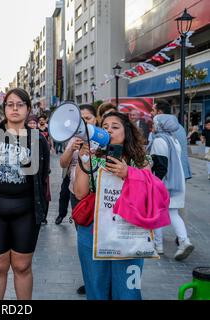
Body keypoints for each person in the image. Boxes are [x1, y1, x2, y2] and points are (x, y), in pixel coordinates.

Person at [0, 88, 50, 300]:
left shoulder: (39, 140)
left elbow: (42, 176)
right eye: (10, 104)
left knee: (22, 266)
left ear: (28, 109)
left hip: (26, 211)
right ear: (4, 108)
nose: (15, 108)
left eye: (20, 104)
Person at [74, 112, 151, 300]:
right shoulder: (92, 156)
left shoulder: (140, 160)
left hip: (128, 230)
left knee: (127, 291)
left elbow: (150, 193)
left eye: (115, 127)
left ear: (127, 132)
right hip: (93, 229)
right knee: (96, 289)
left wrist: (128, 173)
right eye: (105, 127)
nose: (109, 130)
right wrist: (84, 159)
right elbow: (80, 193)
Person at [57, 104, 98, 296]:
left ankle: (99, 279)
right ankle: (89, 279)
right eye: (80, 120)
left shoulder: (101, 138)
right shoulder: (73, 139)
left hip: (96, 195)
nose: (84, 123)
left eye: (88, 118)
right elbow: (63, 164)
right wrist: (70, 150)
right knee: (83, 239)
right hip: (76, 193)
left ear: (96, 120)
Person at [148, 114, 194, 260]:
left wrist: (155, 184)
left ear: (161, 125)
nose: (153, 126)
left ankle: (158, 246)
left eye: (155, 123)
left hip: (165, 183)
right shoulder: (173, 139)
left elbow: (161, 165)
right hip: (176, 182)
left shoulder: (159, 141)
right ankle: (184, 241)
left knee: (157, 213)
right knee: (173, 213)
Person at [151, 100, 192, 180]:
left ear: (159, 113)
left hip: (169, 175)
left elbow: (158, 156)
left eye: (153, 110)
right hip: (181, 172)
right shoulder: (179, 126)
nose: (151, 113)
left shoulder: (162, 130)